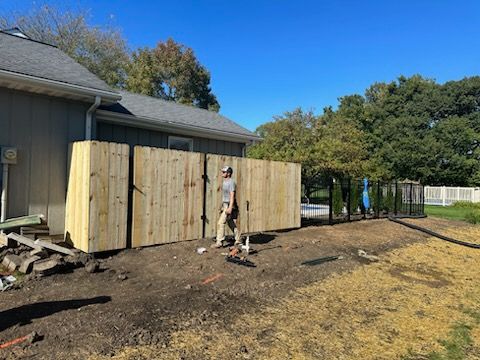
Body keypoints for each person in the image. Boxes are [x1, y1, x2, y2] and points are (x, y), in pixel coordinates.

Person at [211, 165, 241, 248]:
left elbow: (232, 195)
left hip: (229, 205)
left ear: (228, 173)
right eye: (222, 171)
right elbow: (225, 196)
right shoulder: (225, 182)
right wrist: (222, 205)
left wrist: (230, 207)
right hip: (225, 204)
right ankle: (238, 239)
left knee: (220, 223)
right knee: (230, 222)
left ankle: (219, 242)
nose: (222, 173)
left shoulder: (231, 182)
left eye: (224, 172)